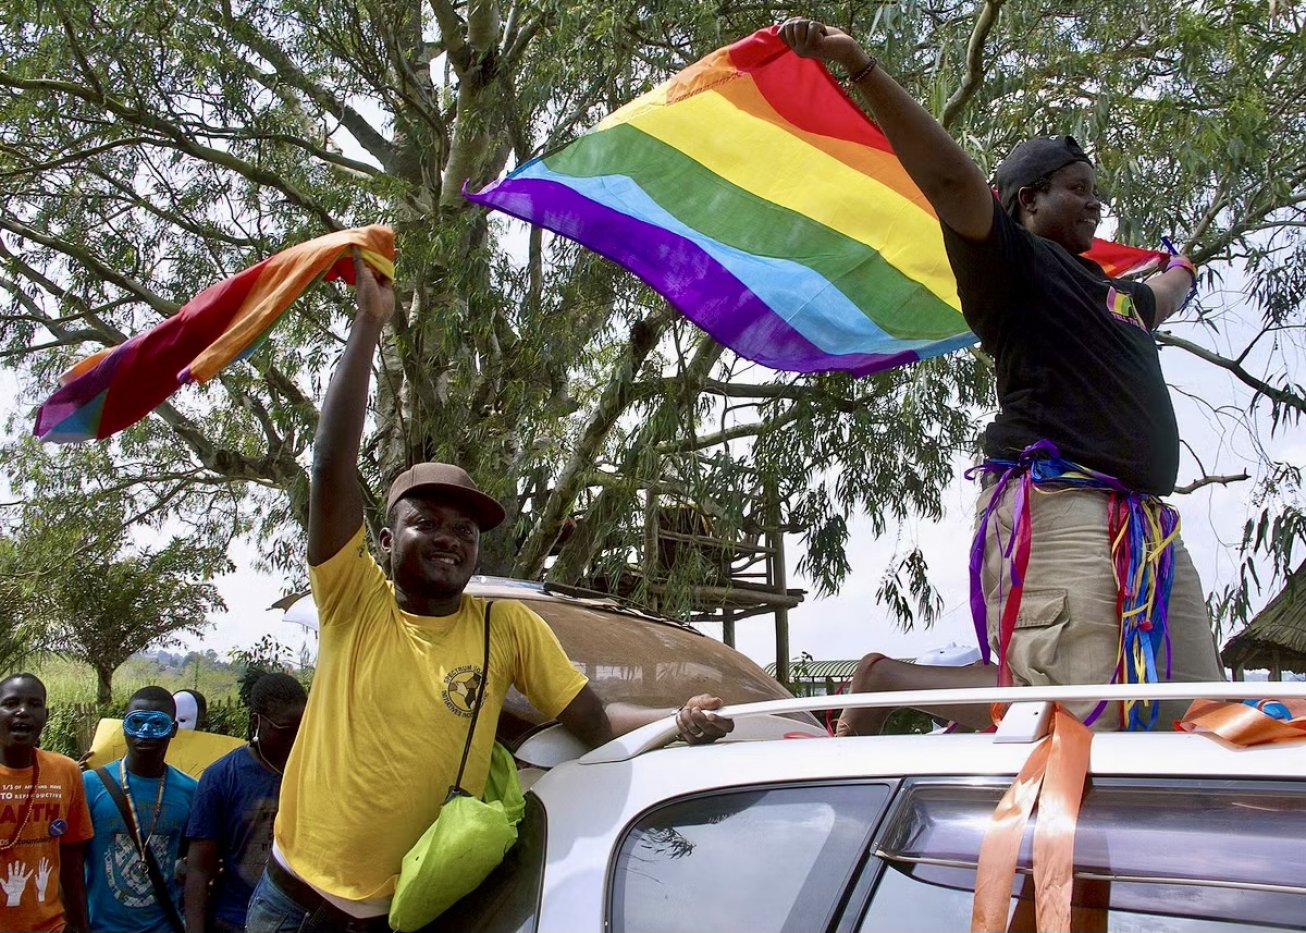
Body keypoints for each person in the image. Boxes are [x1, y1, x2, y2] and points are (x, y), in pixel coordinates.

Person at [245, 252, 734, 933]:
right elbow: (331, 465)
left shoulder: (506, 629)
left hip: (408, 914)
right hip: (293, 908)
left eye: (465, 528)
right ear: (385, 544)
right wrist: (369, 322)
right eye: (427, 521)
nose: (449, 537)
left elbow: (591, 720)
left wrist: (679, 721)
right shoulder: (355, 600)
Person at [781, 20, 1223, 730]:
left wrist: (1182, 268)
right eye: (1078, 189)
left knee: (1203, 715)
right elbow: (952, 178)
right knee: (1076, 725)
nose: (1095, 203)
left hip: (1147, 530)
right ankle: (888, 680)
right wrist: (857, 62)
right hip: (1062, 507)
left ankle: (899, 679)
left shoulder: (1119, 297)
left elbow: (1168, 292)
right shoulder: (1011, 262)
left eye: (1097, 194)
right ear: (1027, 200)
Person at [184, 673, 306, 933]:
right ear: (256, 722)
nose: (297, 740)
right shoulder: (222, 777)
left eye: (304, 730)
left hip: (299, 923)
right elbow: (198, 868)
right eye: (286, 731)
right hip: (234, 921)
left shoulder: (315, 774)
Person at [83, 686, 197, 933]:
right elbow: (69, 866)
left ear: (174, 729)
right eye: (136, 722)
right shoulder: (90, 785)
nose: (145, 733)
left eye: (157, 724)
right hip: (99, 927)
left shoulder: (191, 791)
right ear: (124, 727)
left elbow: (194, 863)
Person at [0, 673, 92, 933]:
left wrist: (82, 926)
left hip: (51, 926)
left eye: (34, 704)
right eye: (11, 703)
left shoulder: (66, 771)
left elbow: (72, 858)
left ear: (46, 715)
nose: (22, 711)